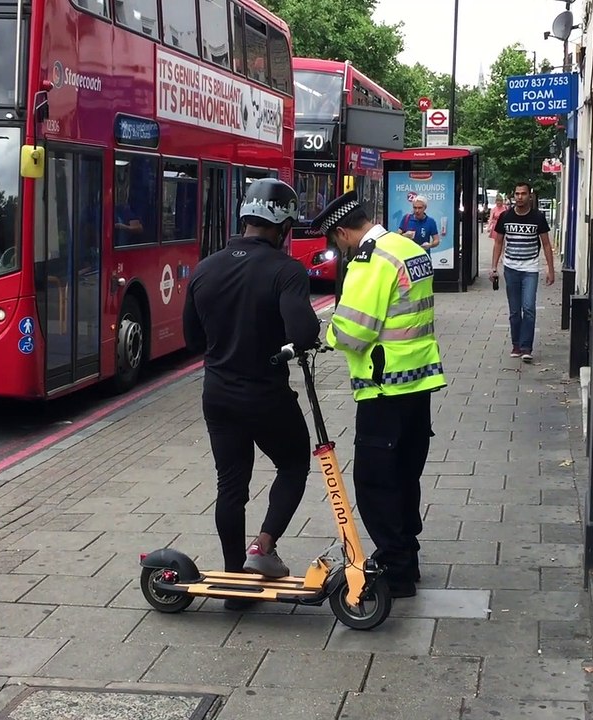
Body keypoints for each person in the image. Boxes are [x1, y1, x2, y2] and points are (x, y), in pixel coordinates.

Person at [182, 178, 321, 610]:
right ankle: (262, 547)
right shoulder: (286, 270)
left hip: (218, 394)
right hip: (265, 394)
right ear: (282, 226)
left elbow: (191, 339)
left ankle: (234, 582)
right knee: (295, 462)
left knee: (231, 485)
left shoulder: (206, 268)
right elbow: (304, 332)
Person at [308, 190, 447, 599]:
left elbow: (354, 331)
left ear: (342, 232)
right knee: (406, 475)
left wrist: (328, 334)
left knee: (375, 482)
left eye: (336, 240)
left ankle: (395, 569)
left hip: (383, 388)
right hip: (418, 383)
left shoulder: (371, 261)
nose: (339, 248)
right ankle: (409, 557)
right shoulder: (407, 247)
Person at [489, 182, 555, 363]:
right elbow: (498, 243)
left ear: (529, 196)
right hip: (511, 268)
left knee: (529, 308)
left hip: (530, 268)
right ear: (513, 196)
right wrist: (494, 267)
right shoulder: (505, 216)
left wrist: (551, 269)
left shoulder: (538, 218)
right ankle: (516, 344)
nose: (520, 197)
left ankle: (527, 347)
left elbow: (547, 245)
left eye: (523, 194)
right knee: (514, 311)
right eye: (517, 194)